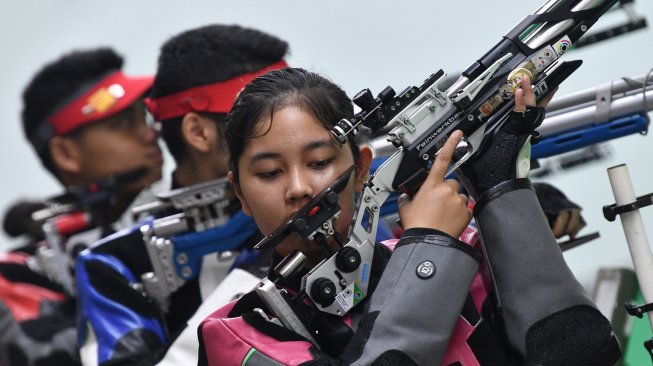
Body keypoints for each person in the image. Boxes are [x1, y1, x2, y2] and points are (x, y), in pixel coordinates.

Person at [198, 68, 621, 365]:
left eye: (320, 162)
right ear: (241, 193)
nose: (298, 188)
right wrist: (428, 252)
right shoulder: (239, 335)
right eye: (269, 172)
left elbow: (581, 350)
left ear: (362, 168)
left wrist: (500, 185)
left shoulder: (468, 258)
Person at [74, 24, 290, 366]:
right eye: (266, 116)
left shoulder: (334, 199)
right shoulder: (117, 264)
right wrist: (267, 272)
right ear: (198, 132)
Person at [0, 48, 163, 366]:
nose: (150, 132)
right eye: (123, 122)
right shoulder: (16, 277)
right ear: (66, 154)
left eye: (144, 114)